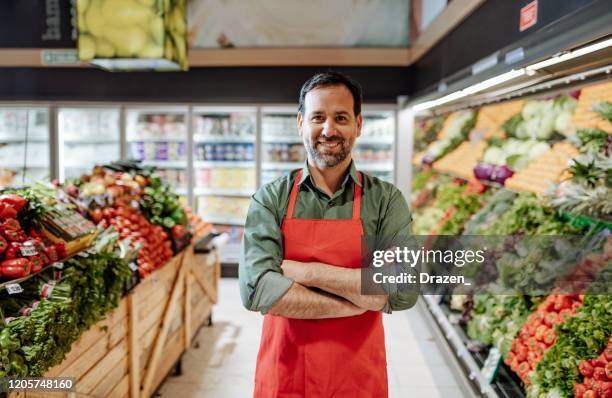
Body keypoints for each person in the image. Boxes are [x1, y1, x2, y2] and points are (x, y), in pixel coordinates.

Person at [239, 71, 416, 398]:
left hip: (357, 376)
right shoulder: (271, 199)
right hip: (286, 373)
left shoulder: (385, 200)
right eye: (318, 117)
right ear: (301, 123)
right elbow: (258, 291)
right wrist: (358, 301)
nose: (329, 130)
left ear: (359, 125)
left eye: (341, 118)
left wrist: (307, 272)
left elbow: (403, 290)